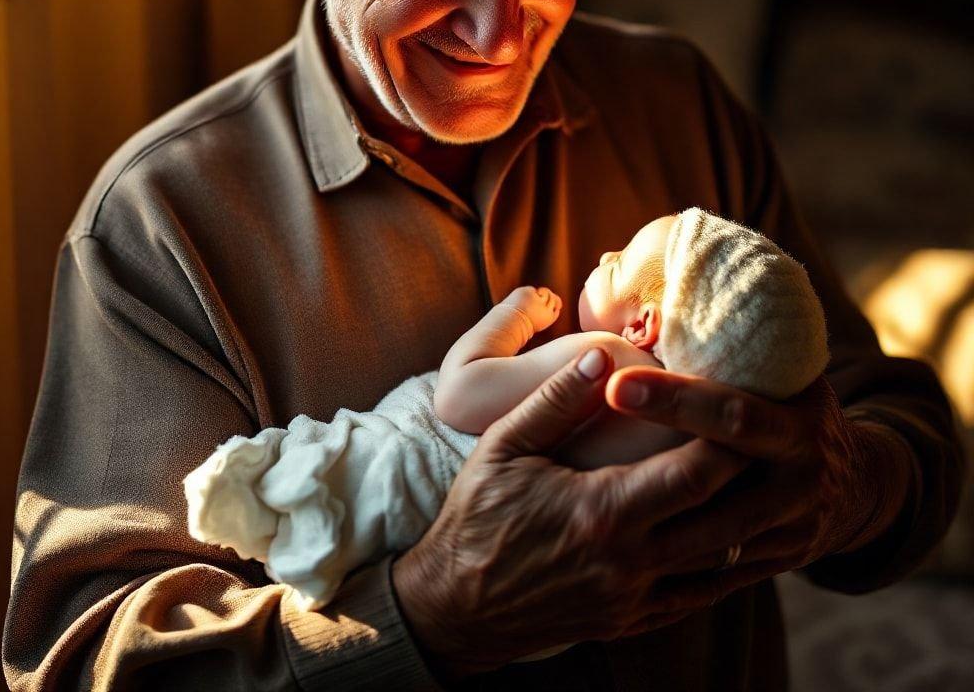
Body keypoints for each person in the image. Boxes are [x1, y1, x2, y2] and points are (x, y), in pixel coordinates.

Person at [5, 0, 963, 691]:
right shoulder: (162, 225)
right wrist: (427, 612)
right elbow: (79, 661)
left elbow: (896, 432)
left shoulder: (676, 101)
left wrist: (841, 490)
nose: (502, 35)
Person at [182, 209, 831, 632]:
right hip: (544, 622)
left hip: (421, 479)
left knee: (310, 474)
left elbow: (459, 401)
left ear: (642, 325)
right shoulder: (697, 440)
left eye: (622, 259)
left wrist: (512, 319)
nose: (605, 252)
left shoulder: (606, 358)